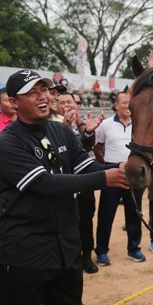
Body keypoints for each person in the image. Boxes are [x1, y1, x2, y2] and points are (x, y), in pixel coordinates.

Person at [0, 70, 129, 305]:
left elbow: (84, 166)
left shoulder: (61, 131)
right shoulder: (7, 143)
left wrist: (120, 168)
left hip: (66, 246)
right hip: (27, 252)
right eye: (32, 93)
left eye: (44, 90)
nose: (42, 96)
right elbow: (45, 183)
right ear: (13, 102)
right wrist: (104, 178)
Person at [93, 90, 146, 265]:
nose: (127, 105)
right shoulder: (105, 125)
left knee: (134, 213)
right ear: (116, 106)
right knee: (106, 214)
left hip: (133, 174)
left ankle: (134, 249)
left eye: (130, 102)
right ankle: (101, 250)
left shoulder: (140, 124)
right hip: (111, 173)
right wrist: (106, 166)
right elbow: (97, 148)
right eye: (124, 102)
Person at [58, 91, 105, 274]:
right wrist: (64, 125)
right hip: (63, 183)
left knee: (86, 219)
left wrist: (87, 132)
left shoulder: (84, 126)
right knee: (68, 222)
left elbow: (84, 149)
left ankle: (86, 255)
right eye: (61, 102)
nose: (66, 106)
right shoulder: (51, 126)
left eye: (69, 102)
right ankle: (72, 257)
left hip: (84, 182)